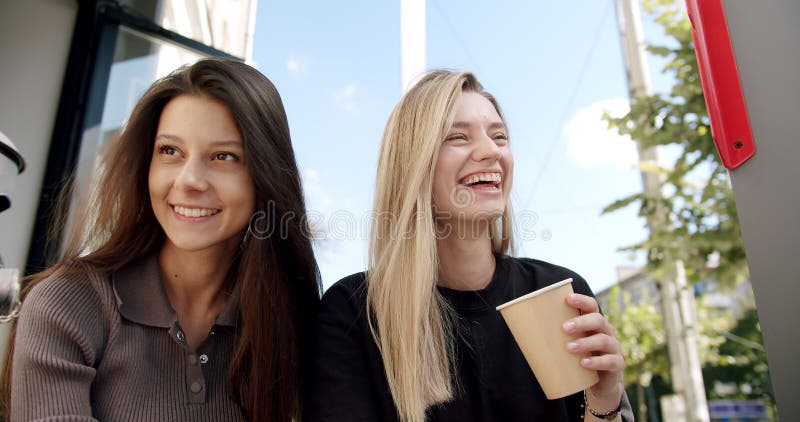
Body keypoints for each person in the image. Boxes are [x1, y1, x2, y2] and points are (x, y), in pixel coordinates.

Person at [304, 70, 633, 422]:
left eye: (500, 136)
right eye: (458, 137)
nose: (491, 151)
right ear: (413, 166)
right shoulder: (354, 313)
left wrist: (605, 399)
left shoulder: (560, 295)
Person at [3, 58, 320, 421]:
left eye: (223, 156)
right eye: (170, 151)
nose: (189, 180)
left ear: (264, 176)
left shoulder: (288, 326)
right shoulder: (67, 304)